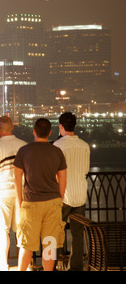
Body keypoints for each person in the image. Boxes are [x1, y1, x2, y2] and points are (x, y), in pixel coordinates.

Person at [14, 118, 67, 271]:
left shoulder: (24, 151)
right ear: (50, 132)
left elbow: (17, 178)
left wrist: (20, 202)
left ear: (34, 131)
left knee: (27, 245)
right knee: (50, 244)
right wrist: (60, 199)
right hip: (52, 202)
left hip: (31, 203)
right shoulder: (57, 151)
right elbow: (63, 179)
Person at [0, 116, 27, 271]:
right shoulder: (23, 146)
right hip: (21, 192)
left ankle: (3, 264)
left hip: (2, 193)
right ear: (12, 128)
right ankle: (26, 264)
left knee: (1, 230)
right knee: (22, 229)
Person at [53, 112, 90, 271]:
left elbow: (55, 172)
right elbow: (86, 170)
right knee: (77, 234)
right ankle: (75, 267)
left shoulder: (58, 146)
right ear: (74, 126)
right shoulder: (84, 145)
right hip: (80, 194)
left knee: (52, 231)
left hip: (63, 195)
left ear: (61, 126)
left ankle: (52, 264)